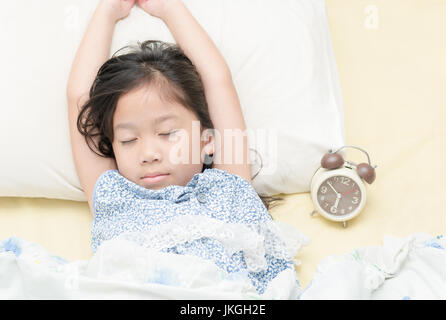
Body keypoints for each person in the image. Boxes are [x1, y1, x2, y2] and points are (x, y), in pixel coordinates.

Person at [66, 0, 301, 297]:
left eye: (167, 133)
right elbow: (79, 98)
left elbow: (217, 80)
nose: (148, 154)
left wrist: (169, 8)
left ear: (207, 140)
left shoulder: (228, 185)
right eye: (128, 140)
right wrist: (107, 11)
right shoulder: (113, 195)